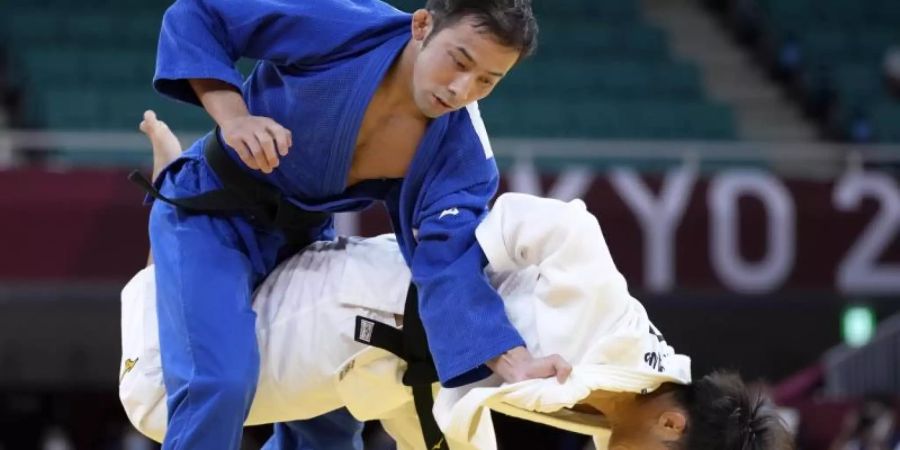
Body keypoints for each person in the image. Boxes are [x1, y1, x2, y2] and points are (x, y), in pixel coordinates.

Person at [121, 113, 794, 450]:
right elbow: (563, 226)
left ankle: (189, 206)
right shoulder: (613, 327)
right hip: (373, 307)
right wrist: (450, 273)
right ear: (673, 424)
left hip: (380, 376)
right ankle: (178, 201)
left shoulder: (605, 416)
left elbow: (455, 413)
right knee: (158, 402)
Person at [143, 1, 550, 448]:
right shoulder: (343, 24)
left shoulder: (463, 155)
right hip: (209, 215)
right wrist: (235, 116)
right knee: (219, 382)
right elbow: (198, 13)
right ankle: (167, 175)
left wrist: (513, 362)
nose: (460, 89)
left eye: (486, 82)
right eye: (459, 61)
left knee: (330, 419)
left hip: (300, 240)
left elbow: (448, 261)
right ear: (422, 25)